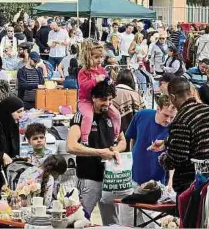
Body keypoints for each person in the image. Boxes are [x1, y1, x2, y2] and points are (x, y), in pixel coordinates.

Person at [66, 81, 126, 223]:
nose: (107, 103)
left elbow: (123, 141)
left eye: (110, 99)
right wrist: (100, 152)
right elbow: (71, 146)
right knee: (79, 219)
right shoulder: (81, 117)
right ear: (93, 98)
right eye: (103, 99)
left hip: (110, 179)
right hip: (89, 177)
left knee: (113, 223)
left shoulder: (112, 116)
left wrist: (115, 150)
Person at [158, 77, 209, 197]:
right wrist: (167, 142)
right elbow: (199, 139)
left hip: (189, 184)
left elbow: (177, 158)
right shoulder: (208, 111)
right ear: (191, 92)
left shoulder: (181, 119)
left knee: (189, 215)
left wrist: (163, 158)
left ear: (173, 97)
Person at [126, 95, 177, 186]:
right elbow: (132, 138)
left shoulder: (175, 128)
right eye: (166, 115)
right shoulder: (141, 115)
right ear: (158, 109)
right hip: (135, 176)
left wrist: (171, 181)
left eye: (172, 117)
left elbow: (174, 155)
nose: (168, 120)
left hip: (160, 180)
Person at [78, 40, 120, 143]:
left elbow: (106, 82)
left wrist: (109, 82)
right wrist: (95, 80)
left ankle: (116, 135)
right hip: (86, 100)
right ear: (88, 57)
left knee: (116, 114)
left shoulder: (101, 70)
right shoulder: (83, 72)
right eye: (96, 57)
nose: (99, 60)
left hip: (101, 100)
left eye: (101, 57)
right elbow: (83, 87)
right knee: (88, 116)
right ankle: (84, 139)